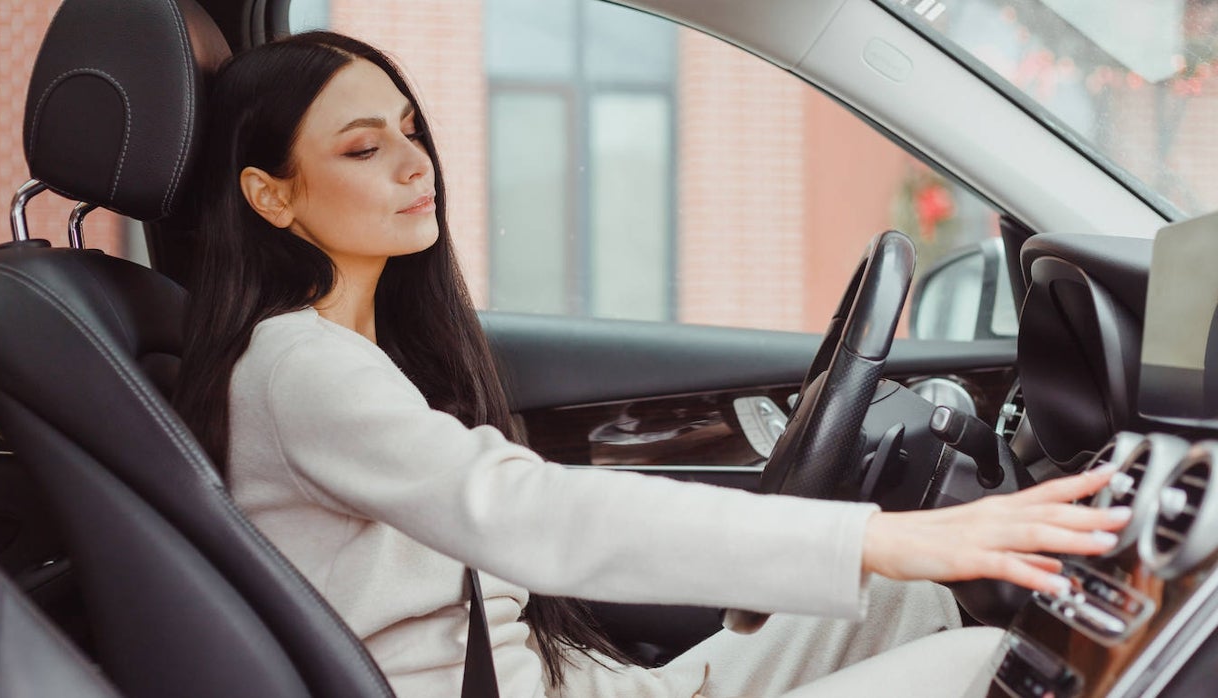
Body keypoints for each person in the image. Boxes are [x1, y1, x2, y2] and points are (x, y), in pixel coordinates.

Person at [173, 31, 1128, 698]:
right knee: (993, 665)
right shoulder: (298, 367)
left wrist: (881, 560)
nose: (415, 164)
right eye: (363, 148)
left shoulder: (349, 352)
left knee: (904, 607)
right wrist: (879, 534)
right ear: (271, 197)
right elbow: (527, 513)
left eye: (411, 130)